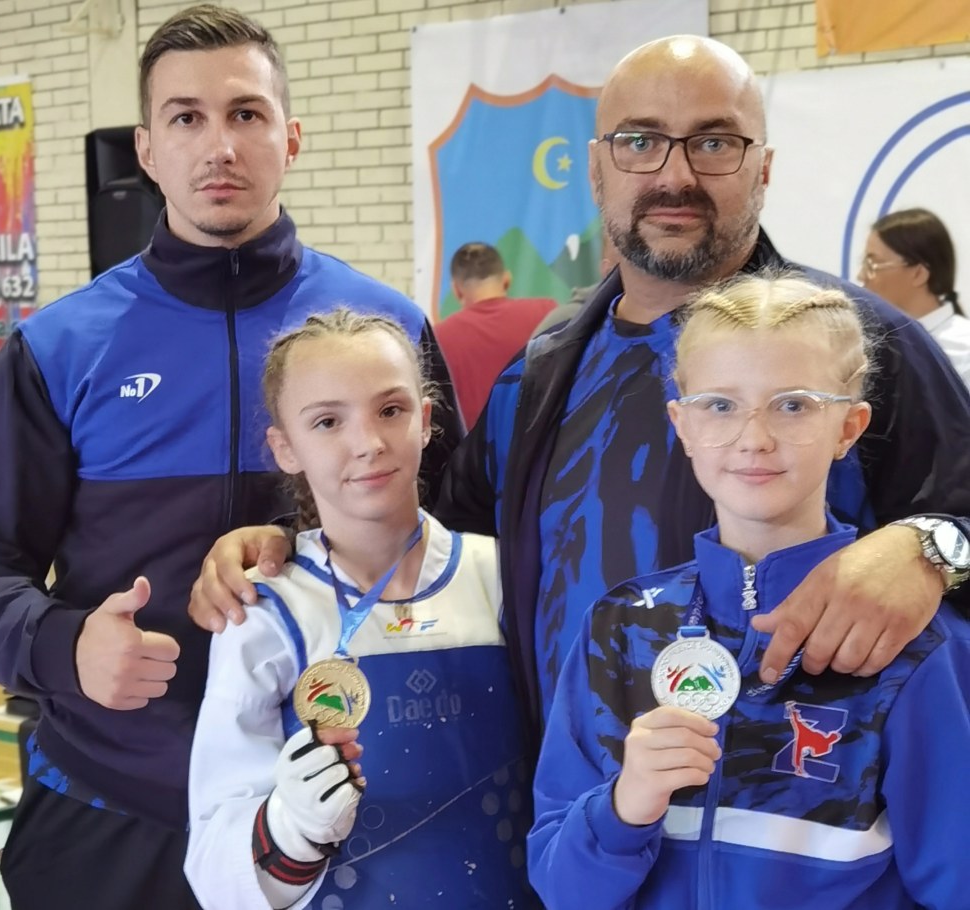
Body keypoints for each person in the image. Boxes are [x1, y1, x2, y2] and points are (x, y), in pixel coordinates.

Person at [189, 36, 970, 769]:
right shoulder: (538, 375)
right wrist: (295, 551)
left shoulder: (864, 348)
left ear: (763, 167)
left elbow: (958, 512)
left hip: (783, 818)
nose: (674, 174)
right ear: (597, 169)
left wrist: (933, 547)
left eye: (714, 142)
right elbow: (431, 547)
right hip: (574, 817)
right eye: (639, 140)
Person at [0, 6, 460, 908]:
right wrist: (63, 645)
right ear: (148, 150)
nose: (219, 146)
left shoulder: (384, 331)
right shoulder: (59, 348)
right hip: (111, 807)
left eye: (246, 114)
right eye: (187, 118)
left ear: (291, 138)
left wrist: (296, 543)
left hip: (340, 798)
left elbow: (451, 538)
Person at [527, 273, 970, 909]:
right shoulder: (619, 628)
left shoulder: (909, 641)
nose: (754, 438)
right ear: (681, 423)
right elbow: (562, 890)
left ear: (849, 427)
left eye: (793, 405)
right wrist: (624, 808)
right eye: (720, 405)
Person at [185, 308, 534, 909]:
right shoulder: (267, 610)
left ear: (426, 421)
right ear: (285, 448)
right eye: (327, 421)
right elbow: (217, 871)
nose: (368, 443)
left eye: (390, 410)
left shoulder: (501, 575)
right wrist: (288, 831)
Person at [435, 242, 556, 426]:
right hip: (543, 439)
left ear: (456, 290)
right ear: (507, 280)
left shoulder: (439, 337)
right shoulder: (548, 313)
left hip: (476, 443)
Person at [859, 207, 970, 384]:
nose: (861, 276)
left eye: (873, 265)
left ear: (919, 274)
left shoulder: (963, 351)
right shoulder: (869, 345)